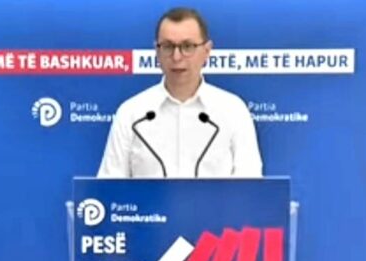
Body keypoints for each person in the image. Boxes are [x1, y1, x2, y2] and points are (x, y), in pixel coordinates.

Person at [97, 7, 263, 178]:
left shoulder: (233, 110)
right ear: (157, 51)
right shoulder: (131, 114)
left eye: (187, 46)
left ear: (207, 51)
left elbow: (250, 183)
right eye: (168, 47)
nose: (177, 57)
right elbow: (109, 184)